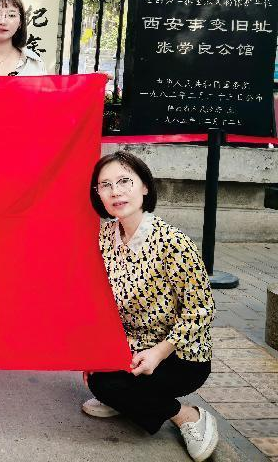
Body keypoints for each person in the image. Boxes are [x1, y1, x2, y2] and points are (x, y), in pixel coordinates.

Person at [83, 151, 217, 462]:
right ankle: (130, 398)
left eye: (124, 181)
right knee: (98, 380)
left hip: (179, 355)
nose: (115, 191)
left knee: (110, 385)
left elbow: (202, 310)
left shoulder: (173, 242)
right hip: (131, 346)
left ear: (145, 186)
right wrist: (93, 350)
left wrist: (159, 352)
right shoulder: (104, 238)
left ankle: (186, 416)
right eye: (105, 185)